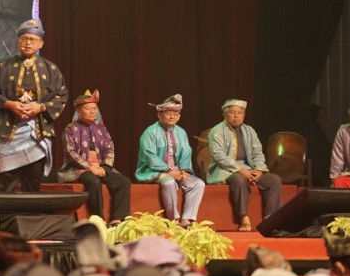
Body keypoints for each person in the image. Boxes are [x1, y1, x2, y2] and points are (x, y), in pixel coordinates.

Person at [0, 18, 68, 192]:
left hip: (37, 132)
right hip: (9, 132)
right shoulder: (3, 67)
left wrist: (40, 107)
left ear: (41, 43)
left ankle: (31, 211)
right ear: (18, 41)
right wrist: (9, 104)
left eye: (32, 39)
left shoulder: (51, 69)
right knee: (5, 183)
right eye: (24, 39)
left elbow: (62, 96)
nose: (28, 43)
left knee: (32, 183)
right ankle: (4, 211)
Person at [207, 99, 282, 232]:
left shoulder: (249, 130)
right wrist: (240, 170)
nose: (236, 116)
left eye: (239, 113)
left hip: (248, 168)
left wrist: (259, 170)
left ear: (244, 115)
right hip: (225, 170)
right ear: (225, 115)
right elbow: (219, 156)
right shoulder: (217, 131)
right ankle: (243, 217)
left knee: (274, 180)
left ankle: (270, 218)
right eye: (232, 112)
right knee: (239, 179)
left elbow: (257, 153)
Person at [57, 90, 131, 224]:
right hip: (79, 169)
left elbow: (109, 148)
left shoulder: (101, 128)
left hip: (100, 167)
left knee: (123, 181)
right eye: (88, 109)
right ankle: (98, 218)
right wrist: (90, 167)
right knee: (93, 181)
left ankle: (118, 218)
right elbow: (70, 152)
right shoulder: (70, 129)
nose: (92, 112)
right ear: (78, 111)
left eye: (94, 108)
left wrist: (104, 166)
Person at [134, 94, 205, 227]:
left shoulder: (181, 132)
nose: (172, 117)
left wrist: (183, 171)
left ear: (179, 117)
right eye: (168, 113)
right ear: (159, 115)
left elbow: (186, 152)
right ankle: (174, 219)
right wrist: (169, 171)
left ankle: (187, 219)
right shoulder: (150, 132)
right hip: (154, 170)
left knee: (198, 184)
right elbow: (149, 155)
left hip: (177, 171)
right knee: (169, 182)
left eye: (175, 114)